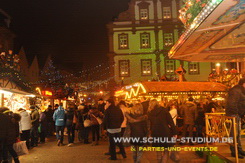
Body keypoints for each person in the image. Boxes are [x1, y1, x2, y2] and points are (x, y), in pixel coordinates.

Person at [226, 78, 245, 158]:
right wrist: (237, 113)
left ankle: (239, 150)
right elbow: (232, 104)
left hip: (237, 115)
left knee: (237, 134)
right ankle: (234, 151)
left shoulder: (239, 90)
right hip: (234, 115)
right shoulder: (236, 91)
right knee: (234, 134)